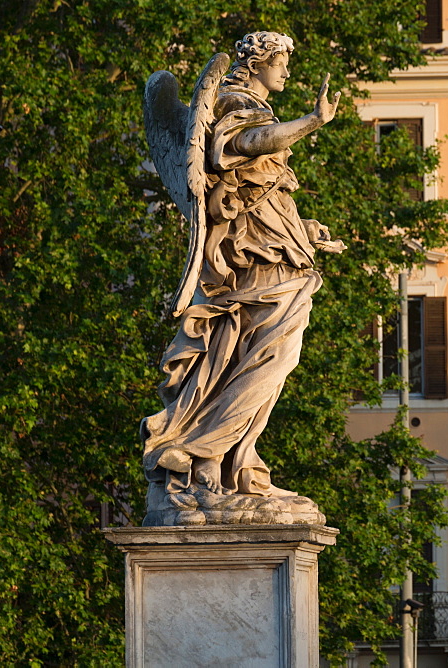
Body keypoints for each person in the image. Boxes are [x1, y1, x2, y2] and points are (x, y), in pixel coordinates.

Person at [141, 32, 344, 524]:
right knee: (263, 359)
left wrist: (304, 228)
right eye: (282, 63)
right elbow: (243, 146)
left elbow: (261, 192)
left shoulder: (258, 106)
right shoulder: (235, 101)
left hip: (276, 249)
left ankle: (235, 461)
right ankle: (203, 456)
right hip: (255, 265)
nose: (288, 73)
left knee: (266, 363)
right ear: (258, 63)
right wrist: (311, 122)